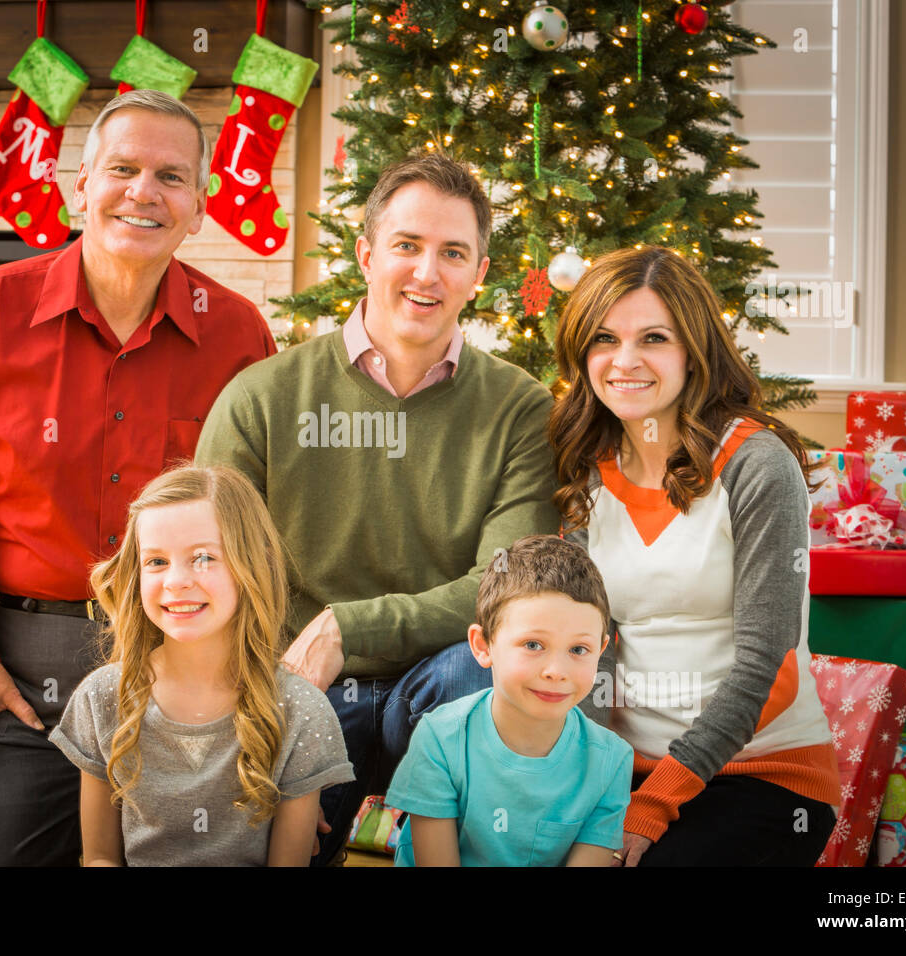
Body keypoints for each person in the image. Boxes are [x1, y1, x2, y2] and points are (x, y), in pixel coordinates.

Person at [0, 89, 276, 866]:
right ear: (81, 187)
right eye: (123, 169)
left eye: (171, 177)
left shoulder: (238, 334)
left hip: (181, 657)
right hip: (21, 660)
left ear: (199, 207)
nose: (144, 192)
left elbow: (254, 523)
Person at [195, 153, 561, 865]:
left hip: (441, 687)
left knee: (486, 673)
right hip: (299, 684)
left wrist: (349, 624)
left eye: (453, 253)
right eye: (407, 246)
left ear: (479, 275)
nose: (428, 273)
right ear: (366, 254)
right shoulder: (263, 397)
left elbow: (506, 586)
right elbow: (207, 566)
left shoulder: (519, 409)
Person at [550, 245, 841, 866]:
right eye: (604, 338)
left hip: (761, 774)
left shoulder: (758, 464)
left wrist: (656, 803)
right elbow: (588, 643)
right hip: (627, 775)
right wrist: (605, 790)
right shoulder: (586, 474)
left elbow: (767, 658)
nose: (625, 361)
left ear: (693, 351)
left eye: (653, 338)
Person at [49, 465, 354, 865]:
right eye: (156, 562)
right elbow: (100, 858)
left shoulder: (301, 710)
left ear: (252, 566)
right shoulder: (102, 696)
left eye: (204, 557)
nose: (176, 580)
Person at [385, 535, 632, 866]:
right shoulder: (440, 740)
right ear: (483, 645)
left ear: (600, 652)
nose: (556, 671)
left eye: (578, 650)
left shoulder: (611, 761)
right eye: (533, 644)